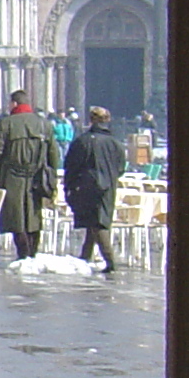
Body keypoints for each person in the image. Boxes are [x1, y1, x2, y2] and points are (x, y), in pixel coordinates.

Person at [0, 90, 61, 263]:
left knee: (15, 215)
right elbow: (54, 154)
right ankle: (32, 252)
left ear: (14, 104)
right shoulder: (44, 124)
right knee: (34, 214)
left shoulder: (7, 123)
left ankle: (23, 254)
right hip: (37, 175)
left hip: (13, 175)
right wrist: (52, 175)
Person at [62, 105, 127, 271]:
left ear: (91, 120)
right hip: (108, 187)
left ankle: (110, 261)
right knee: (97, 221)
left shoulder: (82, 141)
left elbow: (71, 166)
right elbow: (121, 168)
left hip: (86, 186)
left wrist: (69, 187)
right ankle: (85, 256)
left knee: (96, 224)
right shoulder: (116, 143)